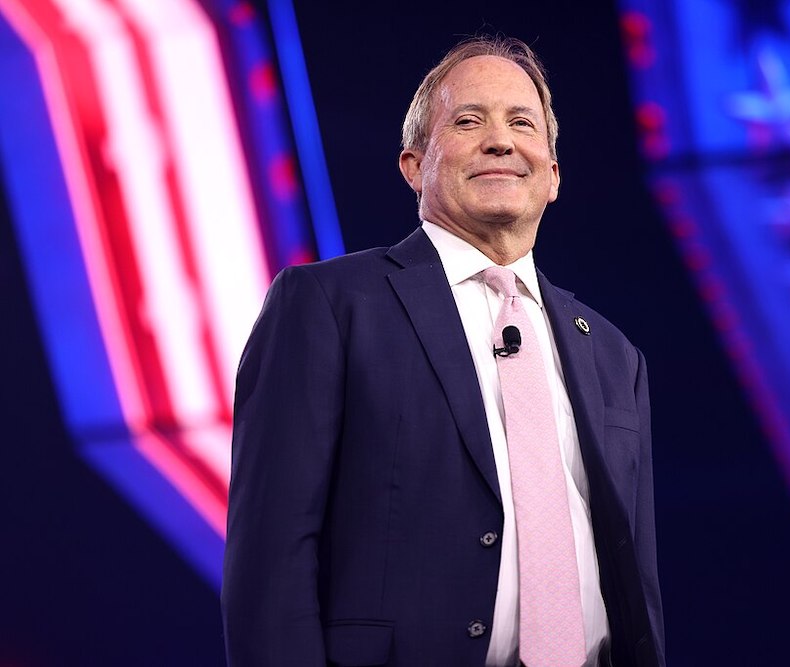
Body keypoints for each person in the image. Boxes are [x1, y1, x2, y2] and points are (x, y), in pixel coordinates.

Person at [222, 36, 665, 666]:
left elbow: (633, 580)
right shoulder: (330, 304)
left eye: (521, 123)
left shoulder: (615, 356)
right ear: (413, 164)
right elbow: (271, 555)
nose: (500, 140)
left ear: (554, 175)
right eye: (468, 121)